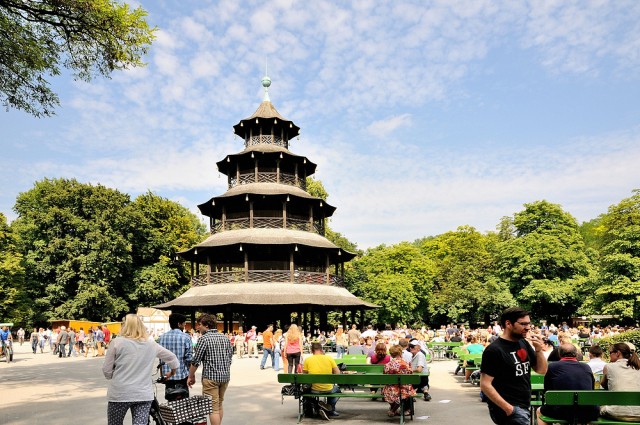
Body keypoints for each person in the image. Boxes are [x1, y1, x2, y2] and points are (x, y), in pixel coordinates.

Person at [102, 314, 179, 425]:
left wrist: (113, 375)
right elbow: (172, 357)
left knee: (115, 423)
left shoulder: (117, 343)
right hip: (143, 394)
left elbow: (107, 371)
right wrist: (172, 372)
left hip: (120, 394)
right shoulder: (151, 344)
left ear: (125, 326)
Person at [480, 307, 548, 425]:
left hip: (523, 404)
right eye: (523, 324)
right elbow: (485, 384)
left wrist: (538, 350)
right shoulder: (494, 350)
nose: (527, 327)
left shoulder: (523, 343)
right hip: (508, 408)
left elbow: (541, 370)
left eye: (528, 324)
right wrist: (508, 409)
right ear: (508, 324)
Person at [188, 314, 233, 425]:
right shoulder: (225, 338)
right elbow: (230, 358)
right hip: (225, 377)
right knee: (219, 404)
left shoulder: (203, 339)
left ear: (207, 325)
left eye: (200, 325)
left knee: (212, 408)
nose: (198, 327)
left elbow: (196, 361)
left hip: (211, 378)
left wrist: (190, 376)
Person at [537, 343, 598, 425]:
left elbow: (547, 391)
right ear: (576, 354)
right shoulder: (586, 367)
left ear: (559, 354)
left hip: (561, 411)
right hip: (587, 412)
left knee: (539, 411)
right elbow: (591, 388)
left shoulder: (552, 367)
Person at [600, 342, 640, 422]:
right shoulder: (638, 366)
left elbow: (603, 384)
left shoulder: (608, 366)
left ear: (618, 353)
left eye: (610, 352)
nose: (609, 355)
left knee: (600, 406)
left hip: (616, 413)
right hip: (638, 413)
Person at [303, 342, 341, 420]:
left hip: (314, 389)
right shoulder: (329, 358)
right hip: (328, 389)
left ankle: (314, 408)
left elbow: (304, 376)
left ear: (311, 350)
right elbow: (337, 373)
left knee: (305, 392)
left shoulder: (308, 360)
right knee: (337, 390)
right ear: (321, 349)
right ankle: (330, 409)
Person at [159, 313, 193, 398]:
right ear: (179, 324)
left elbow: (161, 359)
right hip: (182, 375)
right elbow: (189, 358)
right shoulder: (186, 337)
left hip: (167, 376)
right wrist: (192, 374)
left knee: (171, 403)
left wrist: (162, 374)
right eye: (184, 323)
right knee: (183, 403)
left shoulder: (162, 337)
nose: (185, 325)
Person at [383, 345, 416, 417]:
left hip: (391, 389)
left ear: (391, 354)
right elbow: (410, 374)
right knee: (407, 386)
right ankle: (398, 408)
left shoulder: (388, 365)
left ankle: (393, 407)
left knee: (387, 388)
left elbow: (385, 375)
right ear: (400, 353)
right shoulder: (406, 364)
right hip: (404, 389)